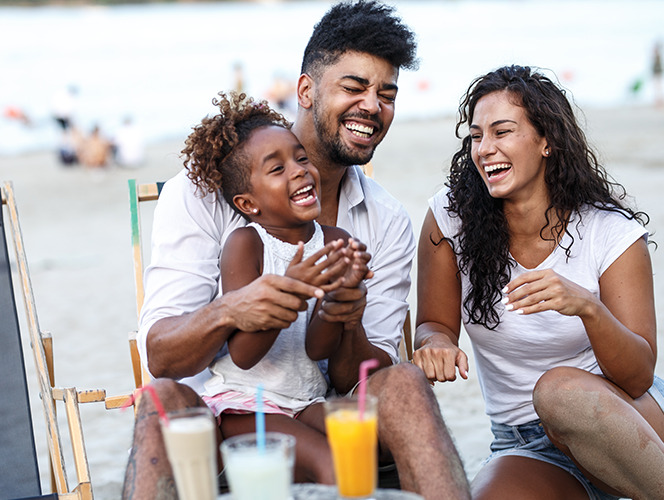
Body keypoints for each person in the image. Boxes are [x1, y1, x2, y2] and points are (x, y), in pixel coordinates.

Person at [125, 2, 470, 499]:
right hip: (221, 413)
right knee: (162, 401)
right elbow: (161, 352)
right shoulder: (203, 193)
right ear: (305, 91)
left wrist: (346, 314)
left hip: (318, 409)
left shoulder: (384, 220)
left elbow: (360, 376)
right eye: (353, 88)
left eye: (386, 94)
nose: (372, 105)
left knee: (406, 383)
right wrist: (234, 308)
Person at [413, 64, 664, 499]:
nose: (484, 149)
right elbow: (433, 323)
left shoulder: (609, 231)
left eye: (502, 132)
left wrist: (588, 307)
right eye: (476, 136)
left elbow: (639, 375)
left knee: (559, 391)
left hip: (625, 418)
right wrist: (434, 343)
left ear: (546, 141)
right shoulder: (450, 219)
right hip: (525, 444)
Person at [189, 91, 374, 482]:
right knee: (333, 466)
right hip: (247, 404)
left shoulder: (335, 239)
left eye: (301, 157)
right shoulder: (246, 245)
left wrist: (342, 298)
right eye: (277, 169)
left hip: (306, 397)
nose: (299, 170)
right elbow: (243, 354)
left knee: (362, 448)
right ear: (249, 203)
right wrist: (290, 288)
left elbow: (317, 348)